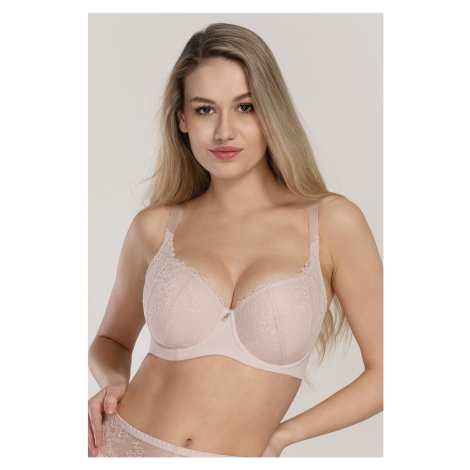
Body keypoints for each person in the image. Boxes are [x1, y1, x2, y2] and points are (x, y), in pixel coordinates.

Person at [88, 22, 383, 458]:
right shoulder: (155, 228)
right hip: (116, 449)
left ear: (271, 113)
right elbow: (111, 340)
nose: (224, 131)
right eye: (205, 110)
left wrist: (282, 436)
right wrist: (113, 381)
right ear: (182, 119)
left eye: (245, 107)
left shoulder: (332, 224)